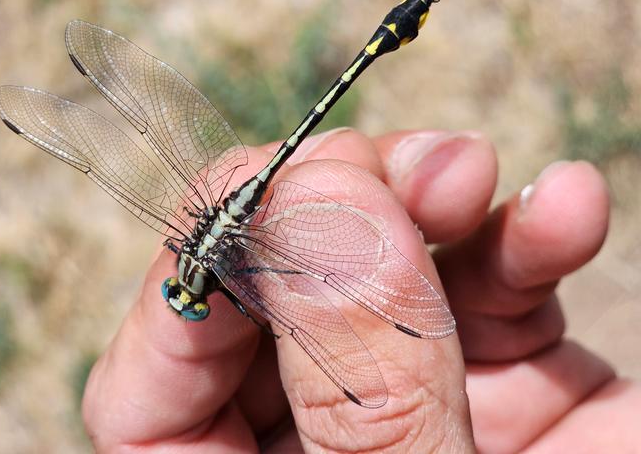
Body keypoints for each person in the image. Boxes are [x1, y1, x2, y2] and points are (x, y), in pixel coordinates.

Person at [79, 128, 638, 452]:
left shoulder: (221, 274)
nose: (185, 301)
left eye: (188, 298)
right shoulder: (221, 266)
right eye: (191, 303)